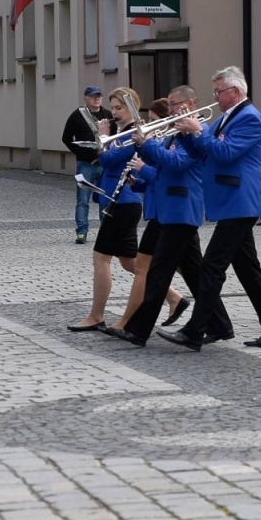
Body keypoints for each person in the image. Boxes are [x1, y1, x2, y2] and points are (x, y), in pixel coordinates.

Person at [163, 66, 261, 349]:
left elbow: (226, 152)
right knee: (248, 269)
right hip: (231, 201)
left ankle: (196, 329)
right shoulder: (226, 117)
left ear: (235, 91)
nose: (215, 97)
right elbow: (205, 153)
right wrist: (186, 133)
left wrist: (199, 132)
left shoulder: (249, 118)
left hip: (240, 201)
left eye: (218, 92)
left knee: (211, 267)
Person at [106, 87, 236, 347]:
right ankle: (220, 324)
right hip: (170, 207)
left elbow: (177, 163)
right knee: (194, 273)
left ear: (190, 103)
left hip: (182, 207)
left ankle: (138, 330)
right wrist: (139, 174)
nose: (172, 108)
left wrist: (149, 144)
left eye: (175, 104)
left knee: (159, 272)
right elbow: (162, 169)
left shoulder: (197, 131)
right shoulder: (176, 132)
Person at [106, 91, 188, 336]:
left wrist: (143, 162)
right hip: (159, 209)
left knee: (154, 270)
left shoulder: (180, 139)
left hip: (175, 211)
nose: (152, 123)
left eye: (155, 118)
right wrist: (137, 181)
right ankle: (137, 324)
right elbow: (156, 175)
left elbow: (172, 169)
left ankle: (133, 325)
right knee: (153, 268)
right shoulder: (166, 140)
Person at [66, 87, 144, 332]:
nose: (115, 112)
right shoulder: (122, 131)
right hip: (117, 200)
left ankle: (96, 315)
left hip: (124, 202)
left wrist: (102, 138)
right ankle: (175, 298)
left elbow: (108, 160)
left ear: (131, 107)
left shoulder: (133, 132)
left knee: (101, 258)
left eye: (119, 108)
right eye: (115, 107)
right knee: (130, 263)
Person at [63, 86, 113, 244]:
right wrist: (80, 152)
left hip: (105, 163)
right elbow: (66, 137)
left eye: (99, 96)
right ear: (86, 98)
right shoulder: (78, 115)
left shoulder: (108, 115)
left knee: (105, 199)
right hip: (85, 164)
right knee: (82, 199)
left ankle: (105, 231)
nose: (96, 99)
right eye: (93, 96)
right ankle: (82, 231)